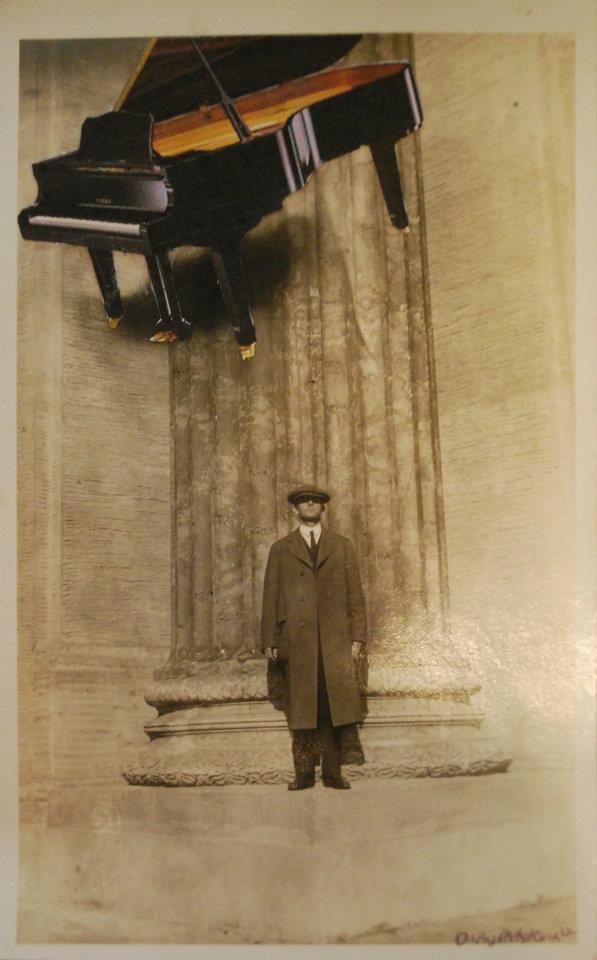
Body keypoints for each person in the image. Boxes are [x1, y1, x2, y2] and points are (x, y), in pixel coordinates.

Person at [261, 484, 367, 790]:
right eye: (303, 501)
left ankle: (333, 773)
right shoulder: (281, 549)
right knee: (301, 709)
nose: (309, 504)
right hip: (296, 640)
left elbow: (355, 594)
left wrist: (358, 636)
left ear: (323, 508)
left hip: (334, 641)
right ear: (294, 509)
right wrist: (269, 638)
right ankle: (303, 773)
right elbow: (270, 597)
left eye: (315, 501)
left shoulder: (341, 545)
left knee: (331, 707)